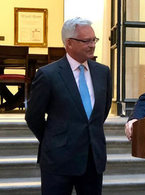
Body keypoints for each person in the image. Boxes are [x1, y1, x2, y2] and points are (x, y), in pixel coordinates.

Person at [25, 17, 112, 195]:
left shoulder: (103, 72)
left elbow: (101, 112)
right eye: (86, 41)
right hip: (58, 160)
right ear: (69, 43)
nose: (92, 45)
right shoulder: (48, 75)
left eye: (94, 40)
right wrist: (55, 138)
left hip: (92, 160)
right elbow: (33, 117)